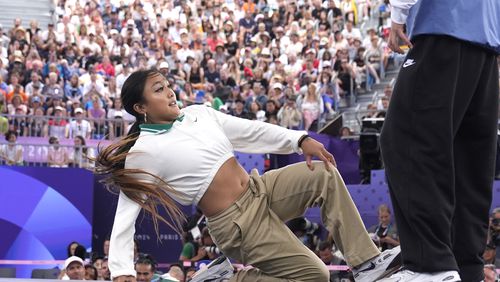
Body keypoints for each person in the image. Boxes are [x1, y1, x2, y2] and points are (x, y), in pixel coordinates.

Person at [96, 69, 401, 282]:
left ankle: (367, 264)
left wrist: (299, 139)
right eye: (158, 90)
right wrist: (121, 268)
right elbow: (126, 213)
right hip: (236, 223)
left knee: (323, 174)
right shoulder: (143, 152)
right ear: (141, 107)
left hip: (260, 189)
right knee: (315, 276)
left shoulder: (199, 113)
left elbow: (251, 132)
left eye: (167, 84)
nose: (171, 92)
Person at [379, 0, 500, 281]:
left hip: (443, 27)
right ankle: (466, 267)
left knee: (405, 140)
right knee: (467, 159)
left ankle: (429, 265)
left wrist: (398, 13)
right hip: (485, 42)